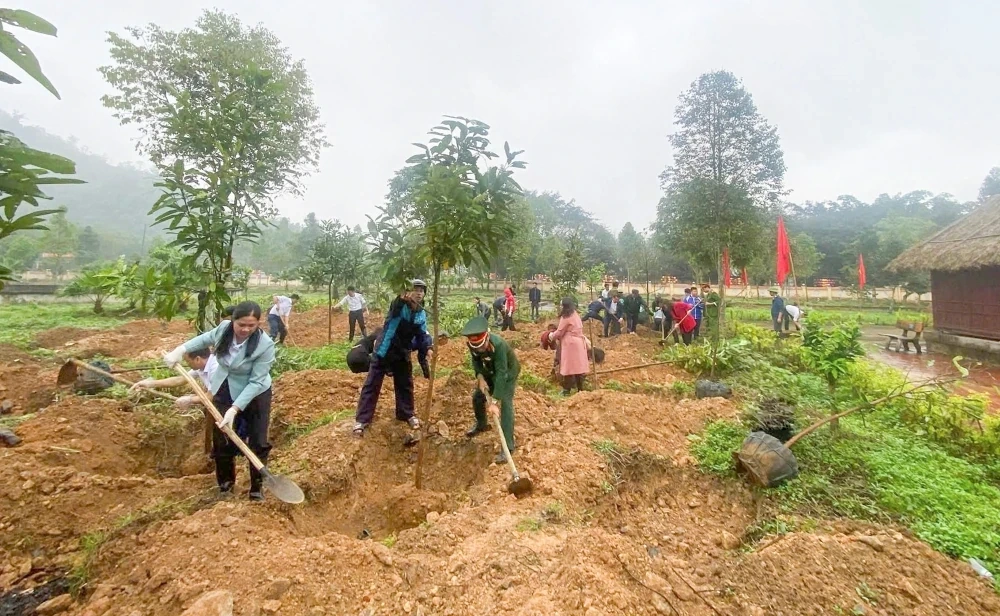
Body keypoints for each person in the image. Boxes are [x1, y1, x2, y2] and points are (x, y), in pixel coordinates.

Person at [163, 301, 276, 501]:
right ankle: (225, 487)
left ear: (259, 323)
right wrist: (179, 351)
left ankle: (256, 489)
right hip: (225, 387)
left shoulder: (264, 345)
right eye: (241, 324)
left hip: (256, 393)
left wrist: (235, 409)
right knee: (222, 437)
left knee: (258, 440)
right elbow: (203, 339)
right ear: (233, 320)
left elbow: (256, 381)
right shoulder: (224, 329)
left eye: (251, 325)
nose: (246, 329)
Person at [353, 280, 429, 436]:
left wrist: (429, 347)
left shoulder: (421, 313)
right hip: (385, 349)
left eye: (422, 290)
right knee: (372, 384)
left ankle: (406, 414)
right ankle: (362, 420)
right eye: (415, 289)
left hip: (402, 352)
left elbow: (422, 334)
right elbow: (395, 308)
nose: (419, 293)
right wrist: (401, 298)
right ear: (407, 292)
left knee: (405, 384)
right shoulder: (399, 306)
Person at [461, 316, 520, 464]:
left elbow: (502, 373)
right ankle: (482, 424)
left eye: (482, 346)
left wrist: (494, 402)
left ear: (487, 337)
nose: (479, 349)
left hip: (507, 373)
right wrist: (480, 376)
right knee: (477, 397)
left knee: (505, 404)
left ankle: (508, 447)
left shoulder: (498, 345)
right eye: (476, 347)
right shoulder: (473, 344)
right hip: (489, 371)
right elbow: (476, 360)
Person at [131, 347, 218, 409]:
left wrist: (190, 400)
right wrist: (150, 383)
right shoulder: (200, 366)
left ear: (197, 359)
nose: (187, 364)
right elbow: (180, 380)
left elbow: (211, 397)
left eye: (188, 361)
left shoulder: (216, 368)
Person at [549, 298, 590, 395]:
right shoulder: (575, 314)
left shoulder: (566, 317)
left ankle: (566, 390)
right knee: (578, 368)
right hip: (579, 342)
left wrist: (551, 336)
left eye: (561, 305)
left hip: (570, 344)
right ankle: (580, 389)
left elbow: (559, 332)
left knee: (568, 367)